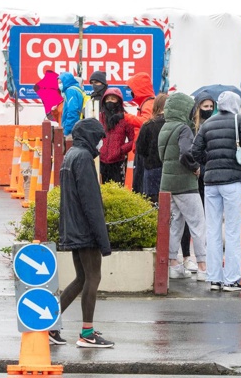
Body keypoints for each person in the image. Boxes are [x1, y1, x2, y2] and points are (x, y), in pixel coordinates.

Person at [51, 117, 115, 348]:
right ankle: (87, 333)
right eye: (99, 138)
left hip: (73, 227)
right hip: (86, 230)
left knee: (81, 278)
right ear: (90, 136)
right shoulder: (84, 158)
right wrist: (102, 239)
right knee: (93, 277)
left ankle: (49, 324)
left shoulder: (70, 155)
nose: (100, 143)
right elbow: (92, 203)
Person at [192, 91, 241, 292]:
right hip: (232, 182)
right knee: (232, 230)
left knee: (212, 230)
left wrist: (209, 164)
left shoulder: (207, 124)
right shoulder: (240, 121)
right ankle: (231, 280)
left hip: (211, 182)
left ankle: (214, 278)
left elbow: (195, 151)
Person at [157, 92, 207, 281]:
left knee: (174, 225)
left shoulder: (164, 128)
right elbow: (186, 152)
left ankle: (173, 264)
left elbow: (162, 156)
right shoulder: (184, 128)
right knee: (198, 223)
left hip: (167, 183)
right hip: (185, 184)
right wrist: (195, 167)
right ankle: (203, 266)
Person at [180, 92, 216, 273]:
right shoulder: (190, 127)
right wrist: (196, 167)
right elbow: (186, 152)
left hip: (207, 176)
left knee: (205, 219)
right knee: (190, 219)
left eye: (211, 107)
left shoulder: (213, 125)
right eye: (205, 107)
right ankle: (187, 256)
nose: (208, 110)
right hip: (193, 175)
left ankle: (203, 257)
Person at [124, 72, 156, 193]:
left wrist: (126, 117)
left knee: (140, 184)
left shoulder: (148, 103)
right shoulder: (147, 103)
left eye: (132, 89)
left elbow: (145, 122)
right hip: (142, 149)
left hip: (144, 150)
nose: (130, 92)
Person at [135, 93, 168, 203]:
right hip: (169, 169)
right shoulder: (173, 124)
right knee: (168, 204)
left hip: (152, 169)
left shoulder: (147, 125)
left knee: (152, 202)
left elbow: (140, 149)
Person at [99, 87, 135, 184]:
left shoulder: (125, 118)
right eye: (107, 99)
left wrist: (120, 150)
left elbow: (133, 139)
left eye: (113, 98)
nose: (110, 101)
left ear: (118, 101)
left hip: (117, 162)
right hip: (100, 161)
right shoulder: (100, 117)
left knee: (117, 190)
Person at [58, 71, 85, 138]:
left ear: (66, 81)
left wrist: (66, 131)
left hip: (71, 130)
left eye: (61, 82)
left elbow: (72, 111)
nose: (59, 85)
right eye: (58, 83)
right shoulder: (76, 89)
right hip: (77, 128)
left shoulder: (70, 91)